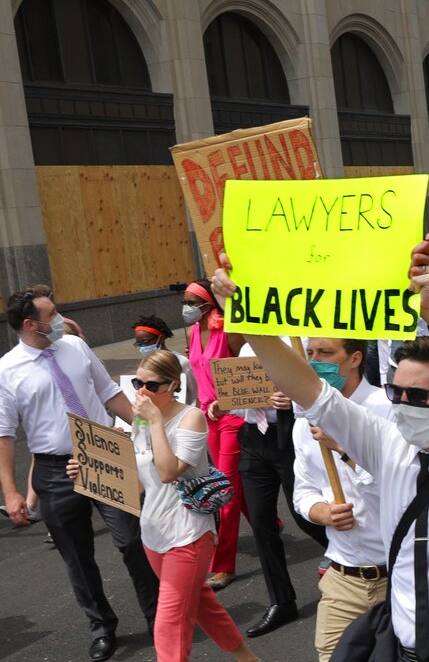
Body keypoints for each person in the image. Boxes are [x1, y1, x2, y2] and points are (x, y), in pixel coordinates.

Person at [212, 243, 429, 662]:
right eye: (395, 391)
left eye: (416, 395)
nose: (399, 403)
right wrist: (247, 315)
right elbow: (308, 388)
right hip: (401, 649)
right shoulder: (386, 442)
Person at [66, 351, 259, 662]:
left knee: (168, 623)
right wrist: (94, 468)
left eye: (152, 386)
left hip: (188, 534)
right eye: (138, 382)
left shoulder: (191, 418)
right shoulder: (143, 419)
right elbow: (142, 484)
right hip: (153, 533)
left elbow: (169, 472)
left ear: (173, 385)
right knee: (201, 603)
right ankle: (247, 658)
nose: (142, 391)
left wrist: (154, 422)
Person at [0, 290, 159, 662]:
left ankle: (158, 616)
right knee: (76, 555)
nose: (59, 317)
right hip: (55, 472)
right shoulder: (7, 370)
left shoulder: (74, 346)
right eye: (51, 313)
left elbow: (108, 393)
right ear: (29, 324)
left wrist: (147, 432)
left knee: (132, 539)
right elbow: (4, 433)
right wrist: (10, 492)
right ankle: (102, 627)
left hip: (105, 452)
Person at [291, 337, 392, 662]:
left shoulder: (388, 411)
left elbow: (401, 487)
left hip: (398, 576)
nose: (314, 361)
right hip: (342, 577)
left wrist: (345, 449)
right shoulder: (303, 423)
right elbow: (302, 491)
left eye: (326, 353)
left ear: (355, 358)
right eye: (310, 353)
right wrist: (322, 513)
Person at [235, 338, 329, 638]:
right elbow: (238, 401)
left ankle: (358, 558)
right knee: (261, 522)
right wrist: (228, 403)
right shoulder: (247, 348)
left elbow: (323, 389)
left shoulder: (299, 343)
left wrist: (294, 398)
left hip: (288, 435)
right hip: (254, 438)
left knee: (303, 515)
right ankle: (281, 601)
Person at [184, 279, 248, 589]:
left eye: (191, 302)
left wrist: (227, 401)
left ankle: (223, 565)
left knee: (223, 489)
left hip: (233, 416)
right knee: (230, 479)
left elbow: (248, 371)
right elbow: (197, 375)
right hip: (208, 417)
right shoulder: (194, 331)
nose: (186, 308)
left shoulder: (230, 330)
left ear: (208, 303)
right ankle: (269, 524)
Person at [132, 315, 198, 405]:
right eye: (138, 344)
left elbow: (195, 393)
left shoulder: (181, 362)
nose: (142, 347)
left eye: (146, 342)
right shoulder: (144, 364)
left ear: (161, 338)